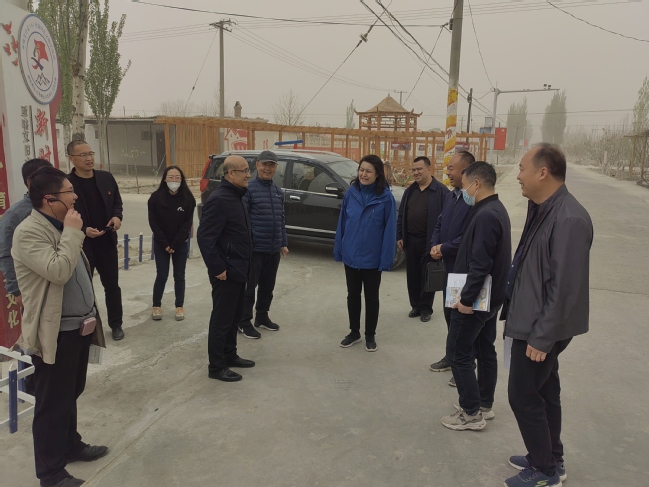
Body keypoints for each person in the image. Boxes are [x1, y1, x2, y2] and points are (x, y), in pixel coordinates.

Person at [502, 144, 593, 487]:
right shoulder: (543, 208)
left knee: (523, 395)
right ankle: (551, 455)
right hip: (533, 318)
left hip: (541, 327)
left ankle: (544, 471)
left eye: (522, 168)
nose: (518, 175)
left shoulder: (568, 218)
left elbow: (565, 287)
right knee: (545, 391)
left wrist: (542, 337)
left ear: (542, 173)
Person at [12, 167, 108, 487]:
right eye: (69, 191)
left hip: (79, 327)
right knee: (52, 403)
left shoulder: (61, 225)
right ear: (50, 199)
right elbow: (58, 271)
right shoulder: (29, 232)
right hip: (55, 332)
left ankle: (70, 445)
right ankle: (50, 474)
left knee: (71, 392)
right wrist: (72, 232)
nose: (75, 196)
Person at [440, 161, 511, 432]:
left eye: (465, 185)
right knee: (484, 349)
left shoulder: (485, 216)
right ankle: (483, 403)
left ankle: (470, 413)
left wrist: (466, 300)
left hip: (476, 300)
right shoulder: (495, 209)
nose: (464, 190)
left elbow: (480, 264)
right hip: (490, 298)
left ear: (477, 184)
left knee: (459, 353)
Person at [197, 155, 255, 382]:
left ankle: (230, 355)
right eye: (245, 171)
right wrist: (217, 267)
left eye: (248, 170)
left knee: (233, 317)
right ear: (231, 173)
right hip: (226, 271)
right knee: (222, 320)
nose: (248, 175)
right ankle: (216, 366)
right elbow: (205, 237)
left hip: (239, 268)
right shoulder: (220, 199)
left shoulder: (237, 196)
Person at [334, 154, 397, 352]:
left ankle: (370, 335)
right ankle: (354, 332)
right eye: (361, 170)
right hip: (351, 255)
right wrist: (339, 249)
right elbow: (342, 223)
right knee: (352, 295)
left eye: (369, 171)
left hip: (372, 257)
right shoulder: (351, 194)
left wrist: (386, 258)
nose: (364, 174)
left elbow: (389, 230)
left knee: (371, 297)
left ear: (378, 174)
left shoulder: (385, 198)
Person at [67, 140, 125, 341]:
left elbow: (117, 203)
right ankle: (88, 328)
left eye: (90, 153)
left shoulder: (106, 178)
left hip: (106, 242)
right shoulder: (66, 184)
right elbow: (63, 214)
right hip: (82, 246)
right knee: (84, 289)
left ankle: (116, 324)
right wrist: (83, 230)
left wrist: (117, 216)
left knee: (112, 286)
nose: (89, 158)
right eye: (83, 155)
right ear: (71, 158)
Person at [428, 150, 475, 386]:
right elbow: (439, 223)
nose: (447, 172)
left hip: (463, 270)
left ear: (465, 171)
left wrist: (444, 247)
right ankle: (451, 356)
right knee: (449, 314)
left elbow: (468, 237)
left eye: (451, 168)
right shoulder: (450, 196)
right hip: (448, 266)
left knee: (462, 320)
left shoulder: (473, 200)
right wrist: (435, 245)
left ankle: (465, 365)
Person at [238, 150, 289, 339]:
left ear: (276, 168)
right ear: (257, 165)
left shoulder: (277, 192)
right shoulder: (248, 189)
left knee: (268, 287)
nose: (268, 168)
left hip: (273, 249)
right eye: (264, 164)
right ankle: (244, 322)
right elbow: (243, 220)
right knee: (249, 288)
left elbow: (281, 219)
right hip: (255, 249)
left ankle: (262, 316)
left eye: (271, 165)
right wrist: (247, 244)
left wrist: (283, 242)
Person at [397, 156, 449, 322]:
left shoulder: (441, 192)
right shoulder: (410, 191)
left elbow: (448, 220)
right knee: (412, 276)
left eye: (419, 169)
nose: (416, 172)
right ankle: (415, 306)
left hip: (430, 242)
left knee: (428, 275)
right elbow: (401, 215)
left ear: (429, 169)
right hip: (411, 240)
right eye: (414, 170)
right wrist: (400, 236)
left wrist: (441, 244)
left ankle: (426, 308)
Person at [0, 158, 53, 310]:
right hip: (33, 287)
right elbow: (6, 254)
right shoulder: (15, 215)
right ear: (30, 182)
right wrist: (17, 290)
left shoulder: (59, 206)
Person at [147, 166, 196, 322]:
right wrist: (165, 244)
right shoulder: (155, 198)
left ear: (181, 180)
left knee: (179, 275)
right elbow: (153, 223)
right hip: (161, 244)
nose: (174, 180)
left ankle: (179, 306)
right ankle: (156, 305)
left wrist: (175, 244)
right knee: (162, 275)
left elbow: (187, 224)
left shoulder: (188, 199)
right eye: (171, 177)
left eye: (177, 177)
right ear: (165, 179)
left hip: (180, 244)